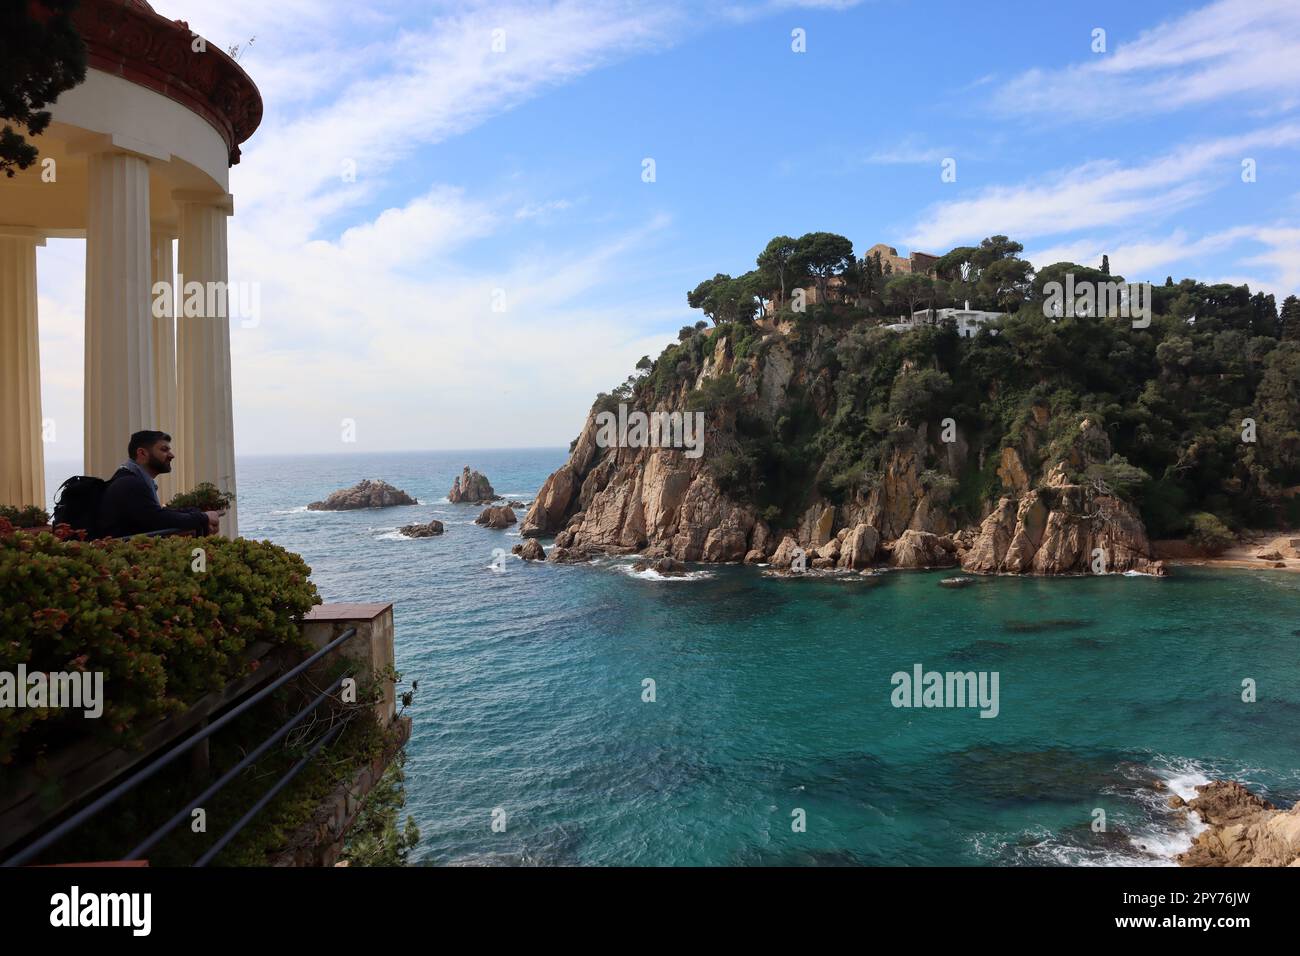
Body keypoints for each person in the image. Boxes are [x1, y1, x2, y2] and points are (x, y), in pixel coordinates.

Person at [97, 430, 223, 538]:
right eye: (164, 449)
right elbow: (158, 519)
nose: (171, 455)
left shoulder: (130, 478)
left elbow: (151, 515)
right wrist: (204, 518)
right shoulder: (130, 483)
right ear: (142, 453)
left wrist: (195, 513)